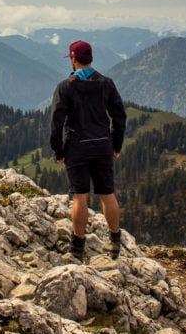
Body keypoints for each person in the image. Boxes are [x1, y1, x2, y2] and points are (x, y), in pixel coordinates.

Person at [49, 40, 127, 262]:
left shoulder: (65, 87)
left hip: (77, 147)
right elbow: (119, 116)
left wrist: (59, 151)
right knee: (107, 194)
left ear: (73, 59)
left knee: (80, 198)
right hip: (102, 145)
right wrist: (116, 145)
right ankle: (114, 242)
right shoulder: (106, 84)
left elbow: (56, 122)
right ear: (90, 58)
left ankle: (77, 248)